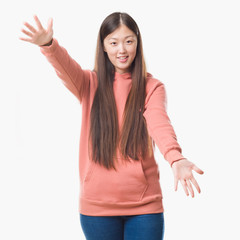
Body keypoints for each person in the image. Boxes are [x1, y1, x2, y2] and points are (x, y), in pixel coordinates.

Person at [19, 12, 204, 240]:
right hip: (97, 208)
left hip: (144, 208)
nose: (122, 50)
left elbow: (159, 121)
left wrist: (175, 157)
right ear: (104, 46)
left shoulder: (152, 87)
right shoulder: (89, 83)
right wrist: (48, 45)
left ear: (138, 42)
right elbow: (64, 67)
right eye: (113, 42)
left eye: (128, 41)